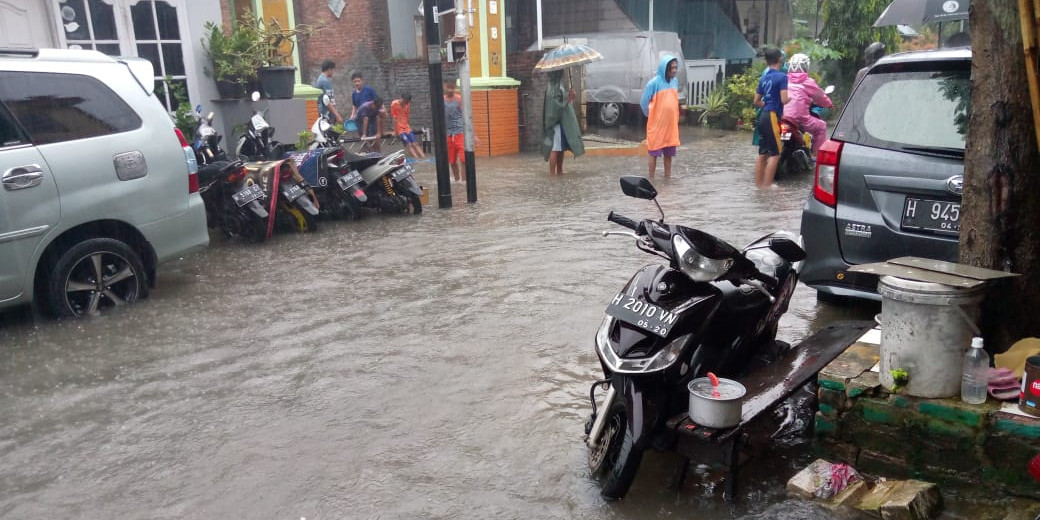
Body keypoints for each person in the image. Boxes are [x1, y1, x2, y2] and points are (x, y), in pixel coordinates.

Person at [753, 47, 789, 189]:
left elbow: (756, 101)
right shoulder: (782, 77)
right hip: (773, 117)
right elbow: (784, 99)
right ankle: (767, 188)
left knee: (763, 153)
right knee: (775, 154)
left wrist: (766, 106)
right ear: (780, 59)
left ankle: (758, 186)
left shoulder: (764, 77)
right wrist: (790, 98)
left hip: (763, 117)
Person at [640, 55, 681, 178]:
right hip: (656, 126)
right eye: (671, 68)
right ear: (665, 68)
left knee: (669, 154)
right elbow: (643, 103)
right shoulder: (653, 83)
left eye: (675, 68)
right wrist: (651, 116)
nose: (674, 70)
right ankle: (651, 179)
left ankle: (667, 178)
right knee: (653, 153)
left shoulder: (675, 82)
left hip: (671, 126)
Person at [784, 53, 833, 158]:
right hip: (800, 119)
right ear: (806, 66)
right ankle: (817, 157)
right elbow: (821, 98)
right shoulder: (808, 82)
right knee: (821, 127)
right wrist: (829, 104)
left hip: (782, 117)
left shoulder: (783, 79)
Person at [541, 70, 584, 175]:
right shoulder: (552, 88)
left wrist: (569, 96)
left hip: (562, 124)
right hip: (556, 124)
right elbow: (555, 109)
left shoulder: (556, 86)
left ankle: (559, 172)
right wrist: (569, 99)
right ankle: (552, 175)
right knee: (555, 150)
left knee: (560, 150)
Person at [443, 79, 466, 182]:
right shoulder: (442, 101)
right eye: (448, 87)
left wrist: (472, 134)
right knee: (452, 161)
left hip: (460, 133)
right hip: (449, 134)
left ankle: (464, 182)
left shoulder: (459, 99)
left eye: (452, 87)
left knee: (463, 159)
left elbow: (466, 116)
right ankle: (457, 181)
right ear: (444, 87)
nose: (450, 90)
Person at [390, 94, 425, 159]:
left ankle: (423, 157)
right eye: (405, 102)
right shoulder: (394, 104)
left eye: (407, 102)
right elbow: (394, 118)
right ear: (401, 98)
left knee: (415, 143)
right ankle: (416, 158)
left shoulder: (407, 104)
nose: (405, 104)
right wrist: (395, 131)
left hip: (406, 126)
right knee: (409, 144)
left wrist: (408, 126)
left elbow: (407, 115)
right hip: (399, 128)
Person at [313, 59, 342, 124]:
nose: (333, 72)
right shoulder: (325, 81)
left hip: (323, 113)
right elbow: (327, 101)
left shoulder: (320, 79)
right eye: (333, 70)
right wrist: (337, 115)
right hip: (326, 114)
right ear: (329, 69)